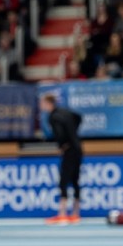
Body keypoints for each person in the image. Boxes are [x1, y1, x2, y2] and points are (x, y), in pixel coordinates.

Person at [40, 94, 84, 225]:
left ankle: (62, 213)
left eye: (43, 104)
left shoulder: (53, 117)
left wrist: (62, 144)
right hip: (78, 147)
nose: (41, 106)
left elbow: (59, 133)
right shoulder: (66, 112)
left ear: (49, 103)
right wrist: (73, 134)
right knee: (75, 180)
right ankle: (76, 213)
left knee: (63, 181)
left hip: (68, 150)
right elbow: (79, 117)